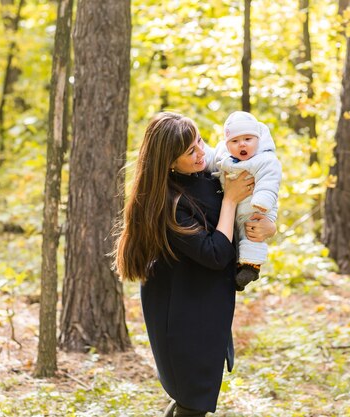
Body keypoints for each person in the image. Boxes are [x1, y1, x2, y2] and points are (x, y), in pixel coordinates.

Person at [114, 112, 277, 416]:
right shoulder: (168, 203)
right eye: (190, 151)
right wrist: (229, 200)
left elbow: (241, 220)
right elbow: (216, 253)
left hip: (209, 304)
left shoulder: (208, 175)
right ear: (169, 161)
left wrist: (267, 227)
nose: (202, 152)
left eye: (199, 141)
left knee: (190, 401)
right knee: (191, 400)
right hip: (181, 313)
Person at [207, 111, 281, 291]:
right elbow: (213, 166)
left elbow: (270, 180)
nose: (242, 144)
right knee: (237, 238)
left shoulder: (265, 160)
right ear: (227, 144)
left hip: (257, 208)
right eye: (235, 141)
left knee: (252, 235)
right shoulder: (224, 159)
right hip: (235, 210)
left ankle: (251, 267)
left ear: (258, 140)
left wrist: (262, 200)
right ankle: (239, 267)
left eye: (248, 139)